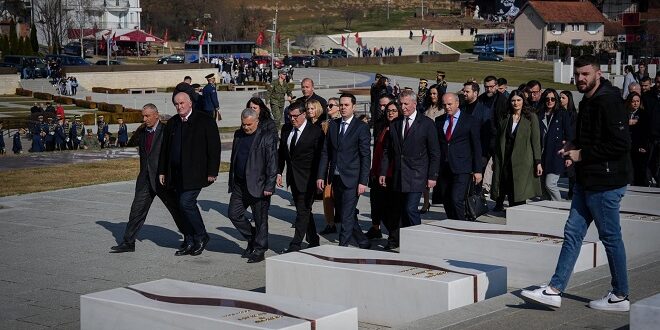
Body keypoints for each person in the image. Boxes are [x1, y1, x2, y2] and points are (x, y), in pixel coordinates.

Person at [521, 55, 632, 312]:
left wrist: (582, 154)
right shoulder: (589, 99)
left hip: (605, 183)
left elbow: (620, 144)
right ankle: (554, 290)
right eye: (578, 74)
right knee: (572, 234)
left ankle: (620, 295)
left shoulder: (609, 101)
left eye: (585, 74)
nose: (580, 79)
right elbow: (592, 138)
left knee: (611, 238)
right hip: (587, 180)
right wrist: (573, 146)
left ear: (598, 74)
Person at [110, 104, 186, 253]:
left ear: (156, 115)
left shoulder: (166, 131)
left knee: (176, 210)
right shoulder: (143, 132)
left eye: (147, 116)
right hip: (145, 179)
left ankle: (191, 237)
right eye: (143, 116)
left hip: (163, 179)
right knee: (136, 210)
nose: (144, 119)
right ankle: (128, 242)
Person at [158, 92, 221, 256]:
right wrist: (163, 170)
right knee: (180, 206)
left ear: (190, 103)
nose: (179, 107)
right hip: (176, 173)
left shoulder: (204, 120)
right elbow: (165, 149)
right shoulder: (172, 122)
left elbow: (214, 147)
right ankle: (190, 239)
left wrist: (212, 171)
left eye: (182, 103)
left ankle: (201, 235)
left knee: (186, 202)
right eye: (176, 104)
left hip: (196, 172)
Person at [379, 89, 441, 249]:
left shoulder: (427, 124)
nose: (403, 107)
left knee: (410, 209)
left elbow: (434, 152)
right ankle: (401, 240)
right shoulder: (396, 124)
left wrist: (432, 176)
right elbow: (387, 151)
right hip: (399, 175)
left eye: (406, 104)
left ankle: (418, 242)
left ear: (415, 103)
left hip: (417, 174)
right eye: (401, 104)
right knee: (398, 210)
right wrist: (383, 172)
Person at [316, 93, 372, 249]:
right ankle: (362, 240)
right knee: (345, 213)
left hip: (353, 179)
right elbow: (326, 152)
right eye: (341, 105)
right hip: (335, 178)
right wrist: (321, 175)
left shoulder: (361, 127)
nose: (342, 108)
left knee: (346, 215)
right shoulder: (333, 125)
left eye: (346, 105)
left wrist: (363, 181)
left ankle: (343, 246)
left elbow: (365, 156)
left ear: (354, 107)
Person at [228, 108, 277, 263]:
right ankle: (253, 238)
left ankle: (260, 249)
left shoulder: (266, 137)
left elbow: (272, 163)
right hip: (240, 185)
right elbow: (235, 157)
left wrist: (270, 186)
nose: (246, 127)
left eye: (249, 124)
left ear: (257, 121)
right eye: (244, 124)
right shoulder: (238, 134)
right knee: (234, 214)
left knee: (260, 219)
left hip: (259, 185)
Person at [277, 102, 324, 253]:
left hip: (309, 179)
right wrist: (279, 172)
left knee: (302, 212)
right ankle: (314, 240)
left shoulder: (315, 132)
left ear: (304, 115)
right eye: (290, 116)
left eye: (295, 116)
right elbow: (282, 154)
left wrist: (320, 177)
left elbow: (321, 158)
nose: (292, 119)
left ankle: (295, 244)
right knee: (304, 211)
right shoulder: (286, 130)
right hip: (293, 179)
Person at [491, 90, 542, 211]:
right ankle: (507, 209)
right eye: (513, 100)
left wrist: (538, 162)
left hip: (523, 159)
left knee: (519, 189)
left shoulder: (531, 117)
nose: (516, 103)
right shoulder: (505, 116)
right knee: (505, 185)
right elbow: (498, 140)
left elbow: (536, 141)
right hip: (505, 157)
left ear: (523, 101)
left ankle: (518, 213)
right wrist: (495, 159)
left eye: (519, 100)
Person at [435, 92, 482, 220]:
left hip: (462, 167)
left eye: (450, 104)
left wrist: (478, 170)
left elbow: (476, 146)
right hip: (444, 168)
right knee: (446, 200)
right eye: (444, 105)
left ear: (457, 103)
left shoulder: (470, 120)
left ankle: (461, 224)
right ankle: (452, 223)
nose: (447, 107)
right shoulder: (439, 121)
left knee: (457, 199)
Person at [369, 101, 402, 245]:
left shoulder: (398, 128)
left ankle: (395, 237)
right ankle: (391, 234)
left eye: (394, 110)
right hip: (378, 172)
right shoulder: (384, 127)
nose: (390, 113)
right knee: (379, 207)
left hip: (391, 174)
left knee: (392, 208)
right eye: (389, 110)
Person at [539, 89, 573, 200]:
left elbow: (569, 136)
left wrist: (568, 156)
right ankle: (547, 211)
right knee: (543, 187)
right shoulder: (539, 114)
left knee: (550, 184)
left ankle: (559, 206)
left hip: (556, 154)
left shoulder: (562, 113)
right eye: (547, 99)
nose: (550, 101)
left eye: (553, 99)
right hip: (542, 154)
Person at [318, 97, 341, 235]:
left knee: (339, 197)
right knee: (327, 196)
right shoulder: (325, 124)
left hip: (341, 167)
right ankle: (330, 223)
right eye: (327, 105)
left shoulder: (341, 124)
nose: (328, 108)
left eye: (331, 105)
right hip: (329, 166)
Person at [626, 92, 650, 186]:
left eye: (637, 101)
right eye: (633, 101)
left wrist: (643, 145)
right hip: (628, 146)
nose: (635, 103)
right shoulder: (624, 113)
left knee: (639, 169)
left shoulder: (643, 114)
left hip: (639, 146)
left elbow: (646, 132)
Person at [560, 90, 578, 197]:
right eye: (560, 97)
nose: (560, 100)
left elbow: (573, 132)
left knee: (571, 171)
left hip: (570, 145)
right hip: (559, 144)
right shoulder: (558, 112)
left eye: (563, 98)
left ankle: (572, 191)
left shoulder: (573, 115)